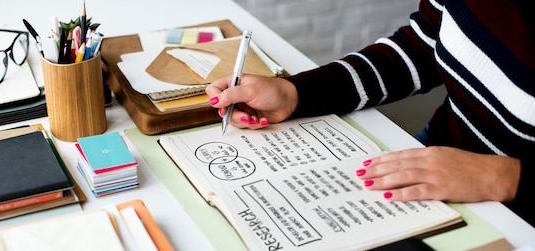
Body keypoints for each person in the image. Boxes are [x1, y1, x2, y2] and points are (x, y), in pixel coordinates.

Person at [206, 1, 535, 227]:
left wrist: (504, 177)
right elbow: (422, 46)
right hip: (432, 156)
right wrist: (296, 94)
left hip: (517, 209)